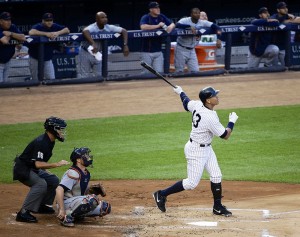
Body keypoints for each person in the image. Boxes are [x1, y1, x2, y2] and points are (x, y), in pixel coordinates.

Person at [153, 85, 239, 217]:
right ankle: (161, 194)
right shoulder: (209, 117)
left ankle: (217, 207)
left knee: (216, 175)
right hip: (196, 151)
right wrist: (231, 122)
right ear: (208, 101)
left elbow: (186, 102)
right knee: (191, 183)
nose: (217, 97)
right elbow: (225, 135)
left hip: (207, 148)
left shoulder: (197, 104)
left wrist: (180, 92)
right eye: (214, 95)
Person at [13, 116, 70, 223]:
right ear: (52, 129)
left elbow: (37, 162)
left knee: (53, 180)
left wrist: (46, 170)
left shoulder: (50, 141)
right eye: (59, 129)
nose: (61, 132)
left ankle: (41, 206)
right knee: (41, 184)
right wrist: (57, 164)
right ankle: (23, 213)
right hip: (22, 169)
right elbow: (38, 164)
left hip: (31, 168)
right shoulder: (41, 142)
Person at [56, 147, 111, 227]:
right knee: (92, 199)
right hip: (66, 203)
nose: (88, 157)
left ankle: (78, 214)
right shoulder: (73, 173)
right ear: (78, 160)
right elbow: (59, 189)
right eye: (85, 155)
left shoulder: (86, 173)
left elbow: (81, 193)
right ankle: (66, 216)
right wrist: (61, 209)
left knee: (105, 207)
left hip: (76, 202)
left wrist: (92, 191)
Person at [77, 11, 129, 78]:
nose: (105, 19)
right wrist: (93, 43)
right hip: (85, 52)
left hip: (97, 53)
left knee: (99, 76)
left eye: (105, 17)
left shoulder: (108, 27)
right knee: (84, 76)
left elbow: (124, 31)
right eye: (102, 18)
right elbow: (85, 31)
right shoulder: (93, 27)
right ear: (97, 20)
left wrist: (125, 45)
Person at [174, 8, 222, 73]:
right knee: (179, 71)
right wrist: (189, 26)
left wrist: (218, 38)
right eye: (195, 13)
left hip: (192, 50)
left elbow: (217, 27)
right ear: (191, 14)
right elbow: (177, 25)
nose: (197, 14)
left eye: (198, 13)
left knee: (195, 71)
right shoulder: (185, 20)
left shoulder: (202, 22)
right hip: (181, 49)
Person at [28, 13, 70, 81]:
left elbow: (67, 30)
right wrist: (46, 34)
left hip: (47, 58)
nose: (49, 22)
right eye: (47, 20)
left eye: (51, 20)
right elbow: (31, 32)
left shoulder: (54, 26)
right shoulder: (39, 26)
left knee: (51, 79)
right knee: (35, 80)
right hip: (35, 57)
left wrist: (57, 33)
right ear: (43, 21)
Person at [140, 1, 175, 74]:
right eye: (156, 8)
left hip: (158, 51)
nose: (158, 9)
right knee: (145, 73)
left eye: (158, 7)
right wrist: (158, 26)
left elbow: (172, 24)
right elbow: (143, 27)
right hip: (147, 51)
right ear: (151, 9)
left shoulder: (161, 16)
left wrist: (170, 27)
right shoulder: (146, 17)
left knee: (159, 73)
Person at [270, 2, 300, 66]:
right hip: (274, 47)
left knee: (286, 67)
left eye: (286, 7)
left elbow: (299, 19)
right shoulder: (274, 16)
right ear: (278, 10)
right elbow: (272, 20)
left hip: (284, 47)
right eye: (283, 8)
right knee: (274, 68)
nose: (285, 9)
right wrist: (285, 21)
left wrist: (290, 20)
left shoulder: (288, 17)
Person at [0, 12, 26, 83]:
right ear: (1, 21)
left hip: (7, 61)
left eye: (10, 20)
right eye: (6, 20)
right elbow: (4, 41)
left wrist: (10, 33)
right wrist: (14, 36)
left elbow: (23, 37)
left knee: (5, 85)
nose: (9, 22)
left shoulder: (12, 27)